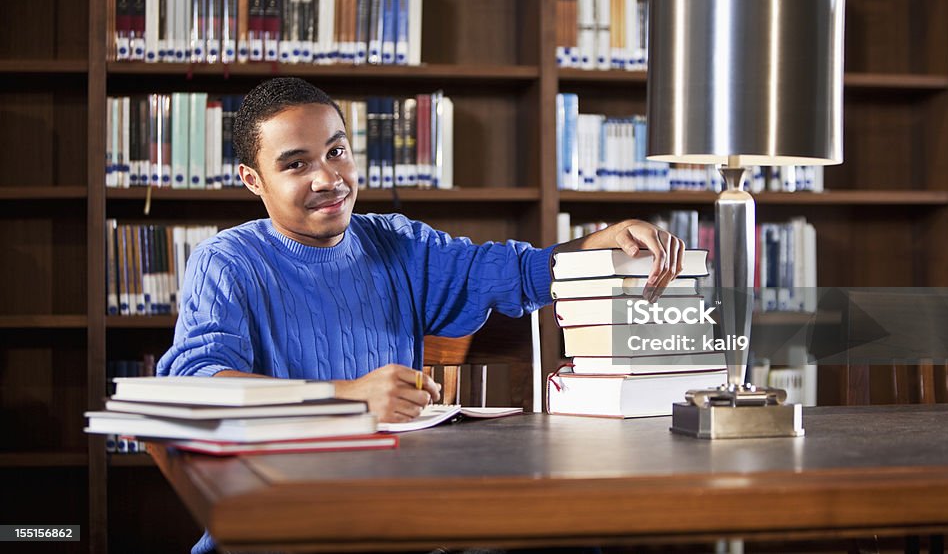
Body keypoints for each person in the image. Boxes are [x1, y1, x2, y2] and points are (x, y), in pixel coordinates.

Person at [157, 77, 685, 553]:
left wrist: (603, 242)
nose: (328, 178)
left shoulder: (397, 242)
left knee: (567, 538)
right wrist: (346, 399)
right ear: (254, 180)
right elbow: (196, 388)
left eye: (336, 151)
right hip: (280, 528)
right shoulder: (225, 261)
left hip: (401, 517)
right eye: (296, 164)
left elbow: (510, 271)